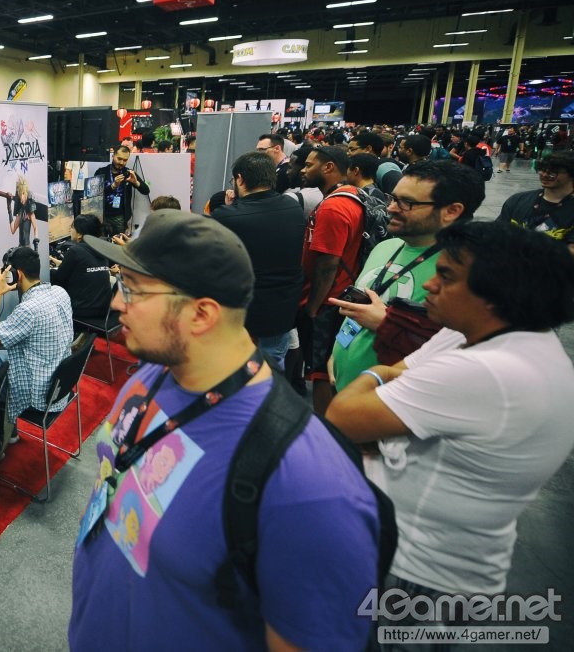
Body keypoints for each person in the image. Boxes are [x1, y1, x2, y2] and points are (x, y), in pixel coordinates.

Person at [70, 211, 379, 649]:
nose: (118, 303)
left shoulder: (309, 486)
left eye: (133, 289)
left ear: (201, 314)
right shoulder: (155, 372)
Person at [326, 221, 574, 636]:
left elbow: (344, 416)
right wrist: (391, 390)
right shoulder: (478, 336)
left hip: (415, 575)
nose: (430, 285)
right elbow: (396, 379)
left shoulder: (489, 371)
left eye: (446, 276)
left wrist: (375, 375)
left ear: (496, 294)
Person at [328, 160, 484, 391]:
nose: (391, 208)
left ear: (451, 211)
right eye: (393, 198)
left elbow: (464, 355)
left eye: (406, 203)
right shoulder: (386, 247)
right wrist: (337, 353)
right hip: (348, 389)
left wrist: (385, 323)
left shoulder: (466, 272)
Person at [210, 150, 307, 370]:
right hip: (282, 308)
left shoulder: (226, 217)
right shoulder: (293, 208)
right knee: (272, 368)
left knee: (234, 371)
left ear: (240, 179)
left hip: (240, 312)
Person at [0, 246, 73, 450]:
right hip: (60, 386)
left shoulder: (28, 310)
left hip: (38, 395)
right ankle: (8, 427)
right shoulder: (60, 292)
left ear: (18, 275)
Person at [297, 145, 365, 412]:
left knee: (320, 372)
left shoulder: (334, 207)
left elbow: (327, 265)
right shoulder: (352, 195)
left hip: (328, 303)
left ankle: (326, 426)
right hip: (341, 296)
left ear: (328, 167)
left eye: (309, 165)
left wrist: (312, 307)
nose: (303, 170)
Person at [497, 150, 574, 248]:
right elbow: (497, 233)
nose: (544, 175)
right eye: (542, 170)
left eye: (552, 173)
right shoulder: (518, 200)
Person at [49, 214, 113, 329]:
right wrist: (62, 264)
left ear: (79, 234)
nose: (70, 230)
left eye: (72, 227)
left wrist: (48, 271)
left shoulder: (75, 251)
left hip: (81, 311)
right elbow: (85, 267)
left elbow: (58, 279)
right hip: (103, 310)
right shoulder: (102, 249)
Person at [94, 145, 149, 236]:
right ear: (113, 156)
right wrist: (113, 186)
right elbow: (94, 194)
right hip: (102, 215)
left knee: (118, 241)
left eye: (125, 160)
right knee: (101, 240)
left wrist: (136, 183)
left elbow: (146, 191)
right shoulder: (101, 172)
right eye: (119, 159)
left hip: (121, 217)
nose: (121, 162)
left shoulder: (129, 174)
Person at [7, 175, 38, 248]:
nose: (21, 197)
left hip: (27, 247)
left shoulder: (30, 213)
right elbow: (13, 230)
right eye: (20, 194)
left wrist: (36, 241)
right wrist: (9, 208)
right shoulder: (20, 213)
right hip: (20, 247)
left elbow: (35, 228)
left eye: (23, 193)